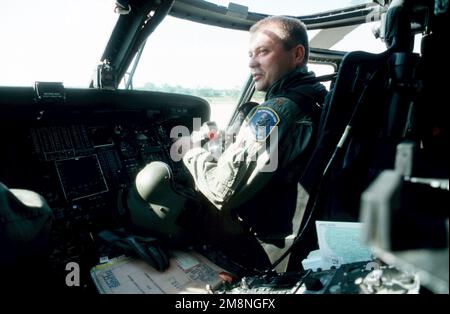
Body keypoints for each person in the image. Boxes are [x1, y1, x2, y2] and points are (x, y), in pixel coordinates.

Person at [167, 16, 327, 273]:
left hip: (270, 245)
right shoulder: (317, 95)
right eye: (250, 54)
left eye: (263, 52)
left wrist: (191, 152)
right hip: (300, 233)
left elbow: (221, 192)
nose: (252, 62)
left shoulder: (276, 111)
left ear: (297, 55)